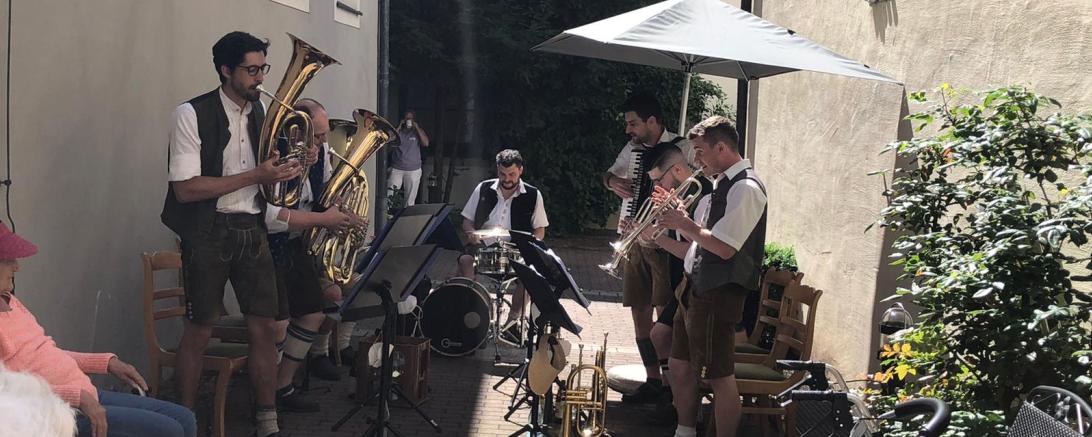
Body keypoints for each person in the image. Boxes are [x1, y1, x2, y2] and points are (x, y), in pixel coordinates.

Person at [161, 31, 300, 437]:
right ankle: (184, 421)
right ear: (226, 70)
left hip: (252, 226)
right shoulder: (190, 113)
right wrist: (257, 174)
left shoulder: (264, 116)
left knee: (265, 327)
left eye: (263, 69)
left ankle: (267, 421)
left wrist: (295, 164)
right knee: (200, 328)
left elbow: (271, 185)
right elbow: (185, 189)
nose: (260, 78)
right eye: (251, 70)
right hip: (208, 231)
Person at [0, 222, 196, 437]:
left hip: (83, 392)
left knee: (185, 418)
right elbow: (7, 391)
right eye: (8, 260)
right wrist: (78, 397)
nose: (16, 266)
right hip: (56, 410)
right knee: (169, 430)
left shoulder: (10, 302)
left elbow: (45, 353)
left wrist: (106, 362)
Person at [652, 116, 767, 437]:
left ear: (722, 148)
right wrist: (679, 218)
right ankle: (685, 431)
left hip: (719, 293)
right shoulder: (719, 184)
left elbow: (725, 248)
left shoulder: (746, 187)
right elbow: (700, 240)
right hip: (695, 287)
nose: (695, 159)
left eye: (700, 151)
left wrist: (684, 224)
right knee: (679, 365)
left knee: (718, 376)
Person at [601, 93, 694, 403]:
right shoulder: (633, 149)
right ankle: (652, 379)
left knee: (660, 312)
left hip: (663, 244)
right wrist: (612, 182)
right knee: (639, 312)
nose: (629, 130)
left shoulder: (682, 148)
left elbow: (695, 185)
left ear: (652, 121)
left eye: (633, 123)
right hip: (634, 239)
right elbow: (610, 174)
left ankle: (669, 387)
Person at [264, 98, 356, 413]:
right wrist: (323, 219)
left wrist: (340, 211)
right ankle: (264, 393)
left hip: (295, 245)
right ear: (295, 133)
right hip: (266, 247)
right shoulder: (274, 155)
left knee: (315, 313)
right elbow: (271, 216)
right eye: (316, 137)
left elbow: (322, 197)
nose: (323, 143)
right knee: (278, 324)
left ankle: (282, 387)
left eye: (323, 135)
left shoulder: (320, 157)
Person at [642, 145, 713, 417]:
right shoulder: (685, 198)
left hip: (699, 284)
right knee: (660, 335)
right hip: (685, 279)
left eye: (660, 180)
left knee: (663, 337)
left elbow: (691, 251)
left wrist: (657, 237)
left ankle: (679, 404)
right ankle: (674, 398)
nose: (657, 187)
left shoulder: (702, 195)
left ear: (679, 170)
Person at [459, 149, 548, 345]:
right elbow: (467, 221)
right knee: (465, 261)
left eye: (512, 174)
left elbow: (540, 230)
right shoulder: (483, 188)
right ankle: (479, 316)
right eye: (502, 174)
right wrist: (471, 233)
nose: (507, 179)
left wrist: (531, 244)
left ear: (521, 171)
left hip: (516, 250)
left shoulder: (533, 195)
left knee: (530, 277)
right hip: (484, 246)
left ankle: (512, 322)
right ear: (497, 170)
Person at [389, 109, 430, 206]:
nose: (409, 121)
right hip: (397, 168)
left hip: (413, 170)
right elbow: (389, 140)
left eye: (411, 119)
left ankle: (406, 217)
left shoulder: (418, 132)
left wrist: (417, 127)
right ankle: (387, 216)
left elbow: (426, 143)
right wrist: (399, 126)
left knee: (410, 200)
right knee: (390, 194)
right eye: (407, 118)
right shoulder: (399, 132)